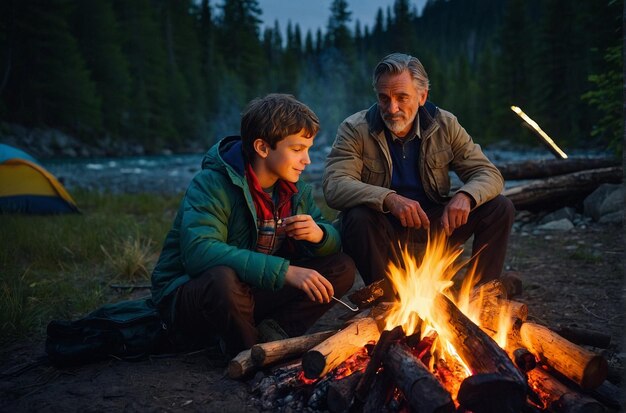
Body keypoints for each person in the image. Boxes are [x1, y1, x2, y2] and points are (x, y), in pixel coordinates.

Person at [151, 94, 355, 357]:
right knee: (221, 278)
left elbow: (331, 238)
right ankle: (249, 352)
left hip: (249, 292)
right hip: (190, 296)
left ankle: (274, 333)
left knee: (341, 267)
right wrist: (285, 271)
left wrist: (320, 236)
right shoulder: (212, 183)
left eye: (308, 148)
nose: (307, 160)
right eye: (297, 149)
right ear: (262, 147)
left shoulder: (295, 191)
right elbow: (199, 252)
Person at [323, 53, 514, 290]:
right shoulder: (355, 129)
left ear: (422, 96)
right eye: (384, 98)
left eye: (402, 97)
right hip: (383, 228)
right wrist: (388, 198)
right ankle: (387, 300)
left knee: (499, 207)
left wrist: (466, 196)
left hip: (434, 224)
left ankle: (482, 295)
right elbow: (335, 186)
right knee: (356, 217)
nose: (392, 108)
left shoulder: (445, 124)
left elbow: (488, 173)